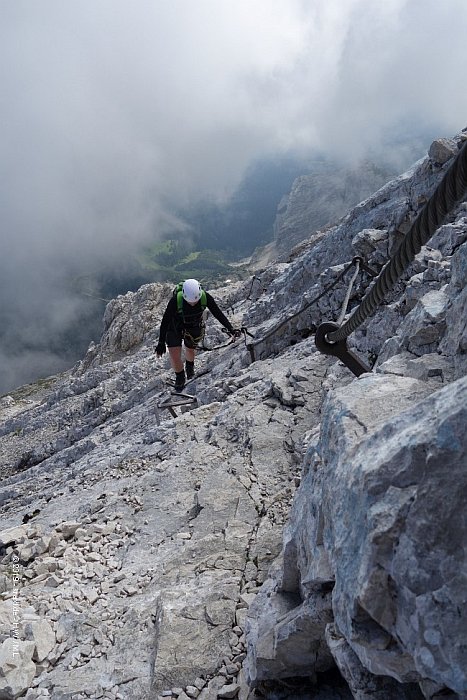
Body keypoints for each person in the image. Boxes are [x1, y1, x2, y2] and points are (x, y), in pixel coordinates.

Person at [156, 279, 238, 391]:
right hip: (174, 326)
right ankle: (180, 378)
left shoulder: (205, 297)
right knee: (175, 355)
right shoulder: (176, 301)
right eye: (190, 301)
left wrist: (231, 329)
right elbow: (165, 321)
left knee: (190, 349)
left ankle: (190, 368)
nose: (193, 303)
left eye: (195, 301)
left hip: (193, 324)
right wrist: (161, 343)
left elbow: (217, 313)